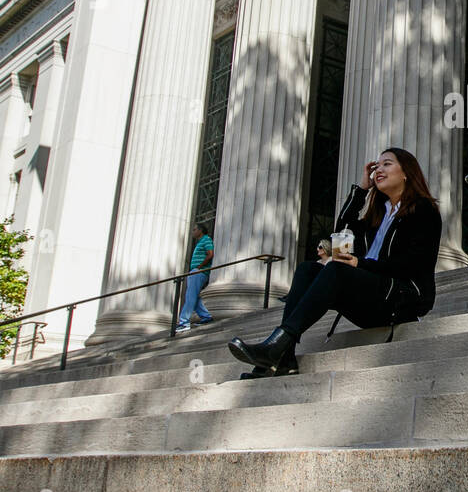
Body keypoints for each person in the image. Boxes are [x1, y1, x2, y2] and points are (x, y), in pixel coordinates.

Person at [228, 147, 442, 376]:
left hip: (401, 300)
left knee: (338, 269)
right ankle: (284, 357)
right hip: (371, 298)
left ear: (406, 172)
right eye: (376, 166)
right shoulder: (377, 216)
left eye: (387, 164)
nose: (379, 169)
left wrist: (360, 264)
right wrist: (361, 189)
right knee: (307, 270)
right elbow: (342, 228)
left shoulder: (423, 210)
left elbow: (413, 264)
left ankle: (276, 346)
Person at [176, 222, 214, 330]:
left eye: (194, 229)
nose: (193, 232)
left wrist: (199, 267)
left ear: (200, 230)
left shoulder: (206, 239)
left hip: (199, 272)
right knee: (194, 297)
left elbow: (210, 254)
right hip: (195, 272)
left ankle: (184, 322)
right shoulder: (201, 242)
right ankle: (206, 316)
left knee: (190, 296)